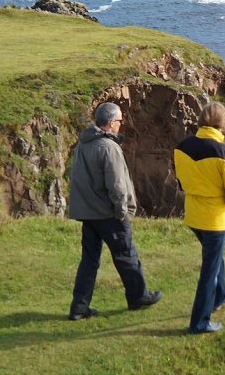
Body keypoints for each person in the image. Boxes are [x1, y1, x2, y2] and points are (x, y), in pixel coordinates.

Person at [68, 101, 162, 320]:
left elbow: (79, 179)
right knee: (126, 254)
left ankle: (79, 307)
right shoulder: (109, 147)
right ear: (111, 123)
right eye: (120, 120)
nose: (121, 124)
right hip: (107, 213)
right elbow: (117, 185)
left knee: (89, 260)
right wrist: (122, 211)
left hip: (88, 212)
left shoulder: (83, 144)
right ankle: (138, 296)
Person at [174, 100, 225, 334]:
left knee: (215, 257)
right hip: (215, 218)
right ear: (222, 123)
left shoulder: (182, 147)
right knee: (209, 269)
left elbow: (180, 180)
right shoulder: (222, 151)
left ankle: (221, 294)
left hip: (194, 214)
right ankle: (199, 322)